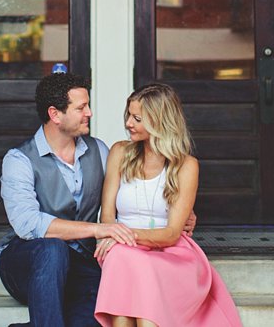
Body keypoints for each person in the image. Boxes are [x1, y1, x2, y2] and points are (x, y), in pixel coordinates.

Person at [93, 83, 242, 327]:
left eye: (137, 118)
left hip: (169, 252)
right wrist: (114, 235)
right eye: (128, 115)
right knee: (123, 259)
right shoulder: (119, 152)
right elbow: (107, 214)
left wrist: (121, 234)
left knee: (131, 269)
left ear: (159, 121)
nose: (129, 123)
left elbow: (172, 234)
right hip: (122, 250)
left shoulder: (186, 165)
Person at [0, 73, 138, 327]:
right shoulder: (19, 160)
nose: (90, 113)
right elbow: (28, 224)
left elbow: (129, 192)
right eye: (81, 107)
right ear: (55, 114)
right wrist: (98, 228)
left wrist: (177, 210)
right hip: (26, 264)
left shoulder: (99, 150)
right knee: (53, 248)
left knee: (98, 320)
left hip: (81, 264)